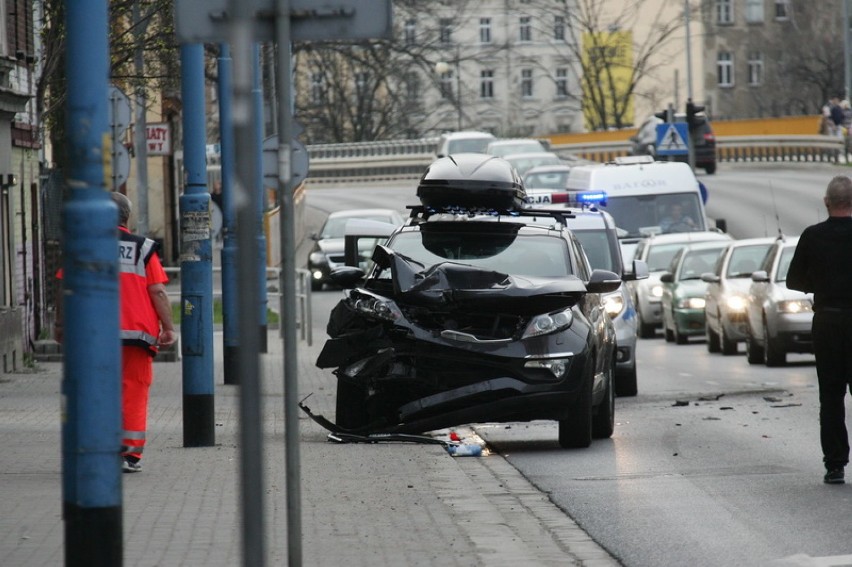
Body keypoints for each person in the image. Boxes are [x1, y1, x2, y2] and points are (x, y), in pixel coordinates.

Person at [55, 192, 177, 474]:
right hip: (136, 336)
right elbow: (157, 290)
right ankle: (129, 455)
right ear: (127, 217)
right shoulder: (143, 248)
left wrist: (61, 324)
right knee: (132, 391)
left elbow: (63, 288)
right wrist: (169, 328)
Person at [787, 175, 852, 485]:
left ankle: (835, 464)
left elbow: (794, 281)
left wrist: (820, 283)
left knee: (831, 396)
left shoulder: (812, 237)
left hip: (827, 323)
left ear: (827, 202)